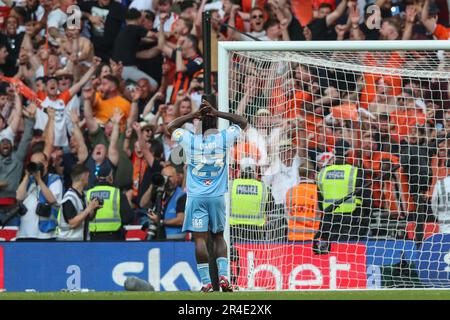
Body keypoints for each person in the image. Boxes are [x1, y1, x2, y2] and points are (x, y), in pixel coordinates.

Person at [168, 98, 247, 292]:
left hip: (196, 197)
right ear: (215, 123)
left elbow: (171, 126)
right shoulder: (223, 138)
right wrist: (217, 112)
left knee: (200, 239)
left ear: (198, 122)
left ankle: (206, 283)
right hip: (217, 196)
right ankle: (224, 278)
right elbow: (242, 122)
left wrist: (193, 114)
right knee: (219, 237)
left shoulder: (189, 139)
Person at [314, 141, 371, 254]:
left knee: (328, 255)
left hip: (328, 220)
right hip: (350, 220)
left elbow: (320, 201)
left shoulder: (322, 172)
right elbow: (366, 198)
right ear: (349, 153)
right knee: (349, 253)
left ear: (333, 153)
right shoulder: (355, 171)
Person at [16, 150, 63, 241]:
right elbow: (19, 197)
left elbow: (52, 200)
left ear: (46, 164)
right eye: (33, 164)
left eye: (38, 164)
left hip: (44, 234)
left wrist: (39, 180)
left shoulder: (54, 179)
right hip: (24, 233)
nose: (35, 167)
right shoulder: (28, 181)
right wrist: (26, 176)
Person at [86, 166, 134, 241]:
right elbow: (128, 218)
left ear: (97, 177)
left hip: (94, 237)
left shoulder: (88, 193)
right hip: (113, 238)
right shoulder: (117, 193)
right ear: (110, 177)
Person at [140, 165, 187, 240]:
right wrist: (153, 185)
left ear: (177, 178)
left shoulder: (181, 196)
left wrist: (160, 221)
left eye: (170, 177)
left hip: (175, 241)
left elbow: (181, 220)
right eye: (164, 177)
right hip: (160, 237)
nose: (167, 180)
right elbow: (142, 204)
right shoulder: (160, 193)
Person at [56, 164, 101, 241]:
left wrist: (94, 209)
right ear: (83, 177)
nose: (88, 179)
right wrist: (88, 209)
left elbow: (85, 218)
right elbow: (72, 223)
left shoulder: (83, 195)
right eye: (88, 176)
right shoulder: (69, 198)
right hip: (69, 242)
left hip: (81, 242)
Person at [285, 161, 320, 241]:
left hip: (293, 238)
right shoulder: (318, 191)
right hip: (313, 237)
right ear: (313, 174)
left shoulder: (290, 191)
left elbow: (288, 212)